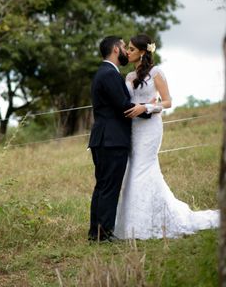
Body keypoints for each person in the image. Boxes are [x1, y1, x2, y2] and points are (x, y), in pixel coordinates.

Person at [114, 33, 219, 239]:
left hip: (150, 130)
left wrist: (147, 106)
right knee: (132, 170)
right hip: (133, 129)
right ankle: (131, 223)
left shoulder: (156, 73)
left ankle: (145, 225)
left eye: (132, 49)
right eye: (128, 48)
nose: (128, 52)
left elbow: (168, 102)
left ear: (143, 52)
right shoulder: (128, 77)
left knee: (142, 170)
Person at [88, 36, 149, 242]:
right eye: (124, 47)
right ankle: (103, 234)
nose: (125, 50)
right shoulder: (109, 74)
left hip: (103, 139)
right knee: (109, 186)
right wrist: (149, 110)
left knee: (102, 185)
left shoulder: (104, 73)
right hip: (111, 140)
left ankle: (95, 233)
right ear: (116, 49)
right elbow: (123, 105)